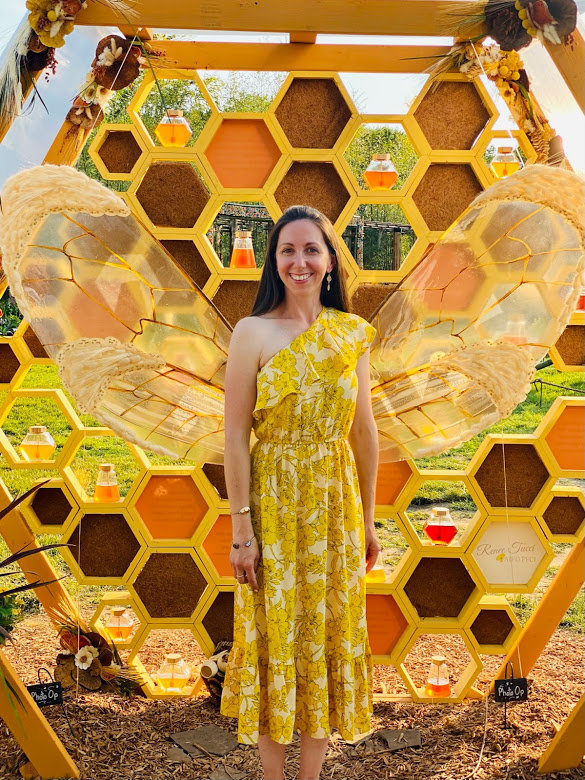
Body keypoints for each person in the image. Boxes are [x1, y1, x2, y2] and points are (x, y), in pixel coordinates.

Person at [220, 204, 381, 780]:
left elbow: (363, 432)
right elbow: (235, 435)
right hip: (272, 501)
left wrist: (365, 520)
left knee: (325, 634)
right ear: (273, 261)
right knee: (273, 632)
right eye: (287, 250)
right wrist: (242, 529)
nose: (299, 261)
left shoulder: (351, 336)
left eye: (311, 249)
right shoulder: (253, 332)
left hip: (333, 508)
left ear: (331, 261)